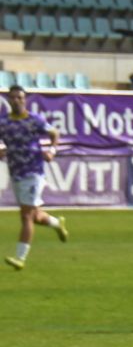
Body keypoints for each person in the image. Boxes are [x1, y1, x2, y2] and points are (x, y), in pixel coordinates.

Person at [1, 83, 70, 270]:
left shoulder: (34, 120)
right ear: (8, 100)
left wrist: (52, 150)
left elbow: (55, 132)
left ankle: (20, 258)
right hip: (16, 172)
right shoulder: (4, 122)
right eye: (13, 97)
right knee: (35, 216)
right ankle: (57, 223)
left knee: (25, 216)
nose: (16, 101)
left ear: (25, 100)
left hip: (34, 172)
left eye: (20, 98)